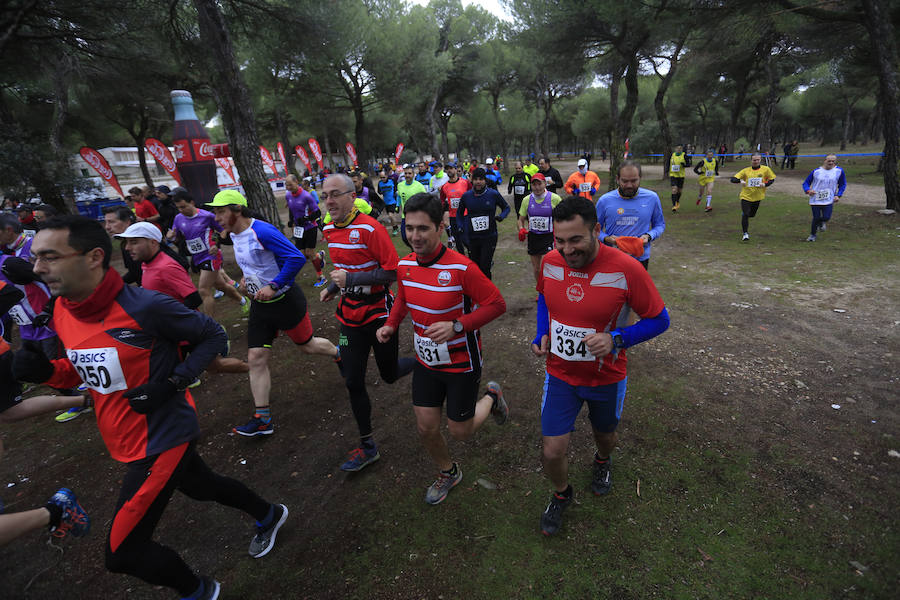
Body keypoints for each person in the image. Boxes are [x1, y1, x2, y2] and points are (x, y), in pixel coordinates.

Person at [16, 215, 288, 599]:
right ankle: (269, 514)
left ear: (94, 257)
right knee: (201, 485)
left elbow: (212, 334)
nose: (37, 268)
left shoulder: (144, 305)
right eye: (35, 258)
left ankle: (199, 591)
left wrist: (173, 383)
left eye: (49, 257)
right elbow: (86, 372)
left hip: (162, 436)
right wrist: (48, 371)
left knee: (123, 552)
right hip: (124, 436)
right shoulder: (63, 308)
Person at [532, 196, 670, 536]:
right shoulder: (550, 261)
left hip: (605, 376)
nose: (566, 250)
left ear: (596, 230)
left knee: (604, 435)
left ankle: (602, 461)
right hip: (560, 374)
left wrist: (617, 339)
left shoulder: (627, 269)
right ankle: (562, 493)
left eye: (575, 240)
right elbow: (543, 299)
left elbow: (659, 320)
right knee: (552, 450)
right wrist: (542, 332)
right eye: (560, 240)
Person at [376, 193, 508, 505]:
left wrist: (458, 325)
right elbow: (404, 299)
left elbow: (496, 304)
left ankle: (492, 396)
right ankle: (448, 472)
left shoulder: (463, 268)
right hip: (427, 360)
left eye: (423, 229)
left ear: (441, 226)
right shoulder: (405, 265)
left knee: (460, 432)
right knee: (425, 427)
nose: (414, 236)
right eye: (409, 228)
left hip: (462, 362)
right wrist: (391, 324)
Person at [206, 190, 342, 436]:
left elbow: (294, 258)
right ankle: (262, 419)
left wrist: (274, 285)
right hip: (261, 305)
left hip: (286, 300)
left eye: (220, 211)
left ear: (237, 210)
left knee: (307, 347)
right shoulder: (234, 234)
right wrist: (247, 281)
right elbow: (254, 264)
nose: (216, 217)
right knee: (256, 357)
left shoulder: (263, 231)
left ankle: (338, 353)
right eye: (215, 212)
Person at [319, 174, 415, 471]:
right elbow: (344, 267)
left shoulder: (371, 229)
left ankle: (424, 362)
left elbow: (391, 273)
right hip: (349, 319)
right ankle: (368, 445)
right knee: (352, 379)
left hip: (379, 315)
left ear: (352, 195)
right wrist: (334, 287)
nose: (329, 201)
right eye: (325, 195)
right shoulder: (329, 229)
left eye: (335, 194)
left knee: (388, 374)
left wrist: (352, 280)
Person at [168, 187, 249, 315]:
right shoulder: (178, 218)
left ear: (192, 203)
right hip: (197, 257)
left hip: (211, 256)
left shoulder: (207, 216)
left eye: (183, 206)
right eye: (178, 208)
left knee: (204, 290)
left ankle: (211, 326)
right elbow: (175, 237)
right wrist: (171, 236)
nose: (181, 210)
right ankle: (243, 301)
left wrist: (216, 244)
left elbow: (222, 231)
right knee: (221, 286)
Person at [595, 161, 666, 269]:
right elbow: (594, 229)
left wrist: (649, 236)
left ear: (640, 178)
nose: (629, 185)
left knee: (637, 286)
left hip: (640, 259)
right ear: (617, 179)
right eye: (624, 181)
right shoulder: (605, 200)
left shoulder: (652, 198)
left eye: (634, 181)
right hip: (612, 258)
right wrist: (607, 239)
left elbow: (660, 225)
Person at [456, 168, 510, 280]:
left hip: (489, 236)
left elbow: (506, 207)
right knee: (476, 267)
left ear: (485, 180)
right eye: (475, 179)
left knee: (485, 267)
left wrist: (501, 216)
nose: (478, 182)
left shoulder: (493, 194)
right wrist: (460, 226)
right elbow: (459, 214)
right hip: (473, 237)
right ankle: (479, 291)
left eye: (481, 179)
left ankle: (487, 292)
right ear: (472, 180)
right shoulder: (466, 196)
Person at [516, 173, 561, 284]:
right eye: (534, 184)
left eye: (539, 184)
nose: (537, 187)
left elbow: (564, 217)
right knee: (537, 269)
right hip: (534, 237)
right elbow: (520, 219)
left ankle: (551, 289)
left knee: (549, 266)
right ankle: (541, 291)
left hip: (549, 237)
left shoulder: (555, 198)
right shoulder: (526, 200)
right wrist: (521, 229)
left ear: (545, 184)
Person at [284, 175, 327, 287]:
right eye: (286, 184)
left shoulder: (306, 196)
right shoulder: (288, 195)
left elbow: (317, 213)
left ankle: (321, 277)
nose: (288, 187)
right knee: (303, 255)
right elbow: (291, 208)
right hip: (299, 229)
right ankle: (320, 256)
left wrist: (306, 219)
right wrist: (291, 221)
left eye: (290, 184)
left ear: (296, 182)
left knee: (310, 253)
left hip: (310, 227)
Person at [730, 153, 777, 241]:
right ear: (751, 160)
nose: (756, 162)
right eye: (754, 160)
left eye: (757, 160)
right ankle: (745, 234)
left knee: (752, 214)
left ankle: (745, 214)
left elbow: (772, 179)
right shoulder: (745, 171)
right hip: (746, 196)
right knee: (746, 214)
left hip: (758, 197)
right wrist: (740, 181)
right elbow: (732, 179)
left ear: (760, 160)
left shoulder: (766, 169)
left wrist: (765, 184)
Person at [802, 154, 846, 242]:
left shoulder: (839, 171)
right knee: (816, 217)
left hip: (829, 199)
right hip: (815, 199)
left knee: (826, 217)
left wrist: (838, 195)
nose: (831, 163)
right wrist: (808, 191)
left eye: (833, 161)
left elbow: (842, 184)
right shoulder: (816, 171)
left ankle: (822, 222)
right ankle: (812, 235)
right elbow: (806, 183)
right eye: (829, 161)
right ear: (825, 160)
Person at [439, 161, 472, 254]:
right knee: (457, 240)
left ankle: (473, 253)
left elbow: (472, 195)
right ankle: (462, 259)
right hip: (453, 217)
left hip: (465, 215)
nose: (449, 170)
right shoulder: (444, 187)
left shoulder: (465, 182)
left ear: (456, 170)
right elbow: (442, 200)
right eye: (447, 169)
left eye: (451, 168)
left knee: (465, 239)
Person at [396, 166, 428, 247]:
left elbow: (425, 199)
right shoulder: (400, 185)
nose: (407, 175)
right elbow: (399, 196)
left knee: (416, 237)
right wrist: (397, 205)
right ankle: (414, 250)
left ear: (413, 175)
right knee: (404, 237)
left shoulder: (419, 186)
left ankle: (417, 252)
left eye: (409, 173)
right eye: (406, 173)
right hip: (405, 216)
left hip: (416, 216)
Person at [692, 148, 719, 212]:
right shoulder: (702, 162)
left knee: (709, 191)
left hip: (710, 179)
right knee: (701, 192)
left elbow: (716, 167)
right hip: (702, 179)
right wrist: (699, 173)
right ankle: (699, 198)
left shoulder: (715, 161)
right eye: (709, 155)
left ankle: (708, 206)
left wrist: (716, 172)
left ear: (713, 155)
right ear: (706, 155)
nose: (710, 156)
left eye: (711, 155)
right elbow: (695, 169)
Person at [377, 169, 401, 235]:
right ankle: (395, 228)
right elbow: (379, 191)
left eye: (384, 177)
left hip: (393, 201)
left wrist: (398, 202)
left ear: (387, 176)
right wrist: (382, 192)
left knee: (390, 215)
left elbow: (397, 189)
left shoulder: (392, 181)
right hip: (386, 202)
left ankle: (395, 228)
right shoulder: (380, 183)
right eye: (381, 177)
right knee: (390, 216)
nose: (382, 179)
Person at [668, 143, 687, 212]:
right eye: (677, 148)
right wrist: (667, 170)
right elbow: (668, 163)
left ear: (681, 149)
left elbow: (688, 164)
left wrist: (684, 165)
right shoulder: (672, 155)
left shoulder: (684, 155)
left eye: (680, 148)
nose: (679, 149)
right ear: (675, 149)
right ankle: (674, 206)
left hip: (681, 176)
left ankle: (677, 201)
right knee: (674, 189)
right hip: (673, 175)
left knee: (679, 191)